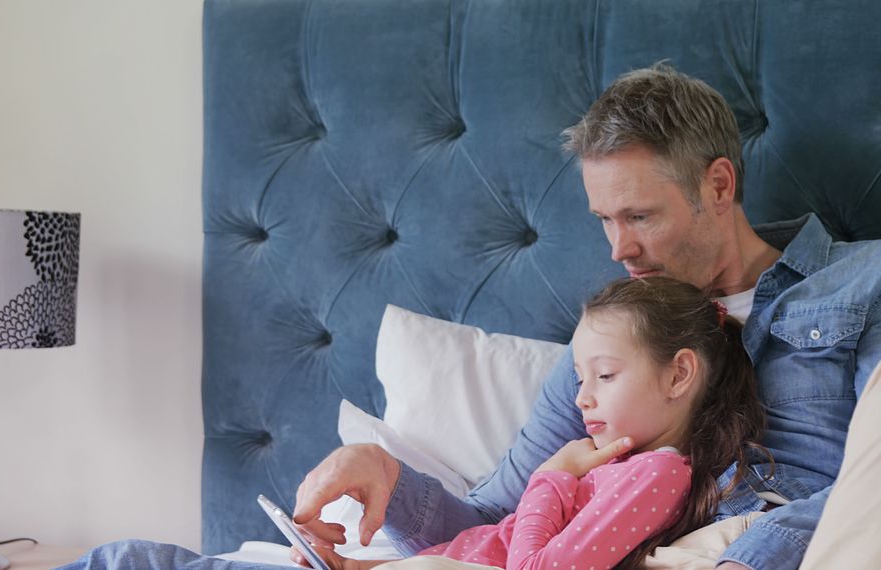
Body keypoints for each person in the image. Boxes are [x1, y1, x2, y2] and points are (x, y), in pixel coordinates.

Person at [292, 64, 881, 570]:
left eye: (640, 216)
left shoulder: (861, 284)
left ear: (719, 185)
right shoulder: (609, 347)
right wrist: (382, 474)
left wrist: (747, 557)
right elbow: (501, 523)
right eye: (605, 219)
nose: (617, 250)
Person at [304, 277, 769, 570]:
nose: (582, 398)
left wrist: (552, 476)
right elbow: (496, 537)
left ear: (678, 375)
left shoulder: (659, 474)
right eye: (580, 378)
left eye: (605, 375)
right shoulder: (619, 465)